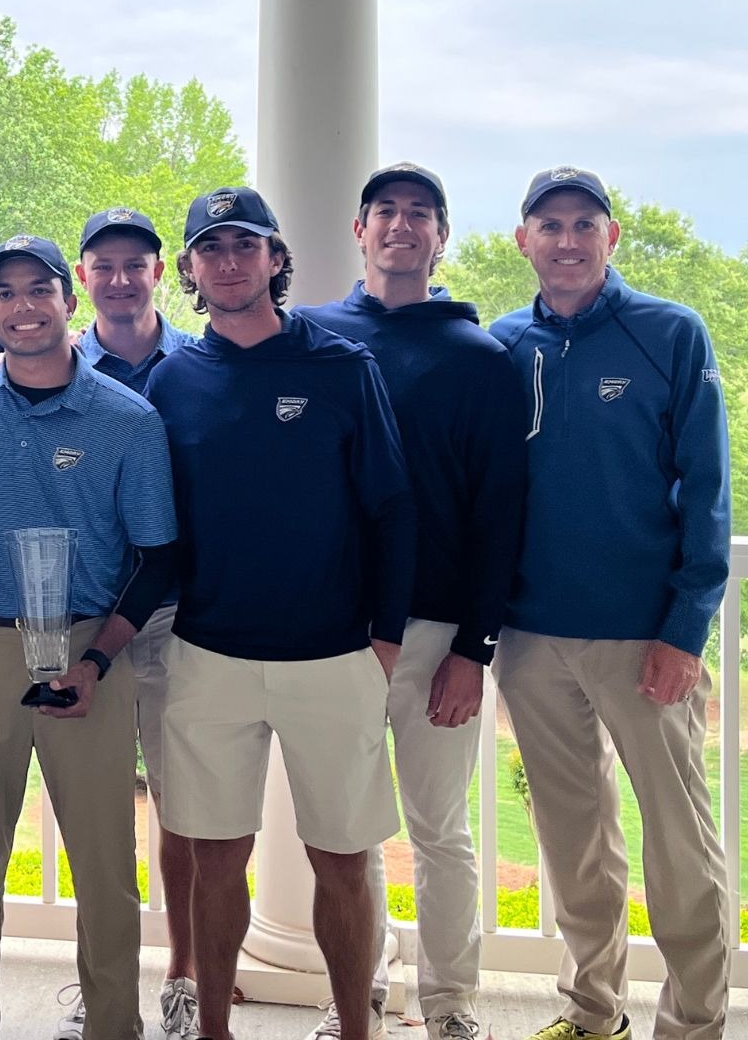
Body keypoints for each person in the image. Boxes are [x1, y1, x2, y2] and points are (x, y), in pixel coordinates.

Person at [144, 186, 415, 1040]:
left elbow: (394, 512)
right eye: (211, 248)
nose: (229, 262)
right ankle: (216, 1029)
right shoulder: (171, 378)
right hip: (208, 655)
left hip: (333, 656)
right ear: (189, 268)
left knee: (344, 862)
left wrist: (384, 640)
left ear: (275, 258)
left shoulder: (341, 367)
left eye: (246, 246)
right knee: (215, 861)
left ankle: (355, 1030)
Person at [489, 167, 731, 1040]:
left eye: (582, 224)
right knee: (574, 843)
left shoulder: (668, 333)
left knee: (679, 845)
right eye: (547, 225)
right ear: (523, 241)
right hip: (530, 635)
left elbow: (706, 491)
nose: (565, 239)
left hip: (642, 638)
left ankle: (695, 1023)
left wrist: (683, 628)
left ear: (610, 236)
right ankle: (594, 1013)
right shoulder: (503, 345)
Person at [292, 163, 527, 1040]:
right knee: (346, 832)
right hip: (332, 631)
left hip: (436, 633)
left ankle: (451, 1003)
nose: (401, 225)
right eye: (385, 211)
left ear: (441, 236)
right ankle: (357, 994)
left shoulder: (481, 361)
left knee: (440, 828)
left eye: (419, 214)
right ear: (359, 231)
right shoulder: (310, 338)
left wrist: (476, 647)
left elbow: (501, 512)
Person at [0, 234, 177, 1040]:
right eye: (6, 293)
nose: (25, 307)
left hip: (86, 647)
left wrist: (100, 659)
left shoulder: (127, 419)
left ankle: (114, 1020)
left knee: (104, 856)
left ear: (68, 300)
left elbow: (157, 558)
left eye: (40, 290)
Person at [74, 207, 202, 1038]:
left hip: (178, 613)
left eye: (136, 264)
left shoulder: (201, 364)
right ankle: (101, 987)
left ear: (161, 272)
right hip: (81, 616)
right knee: (93, 810)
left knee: (182, 803)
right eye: (104, 264)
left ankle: (185, 976)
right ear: (83, 276)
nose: (120, 279)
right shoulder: (44, 359)